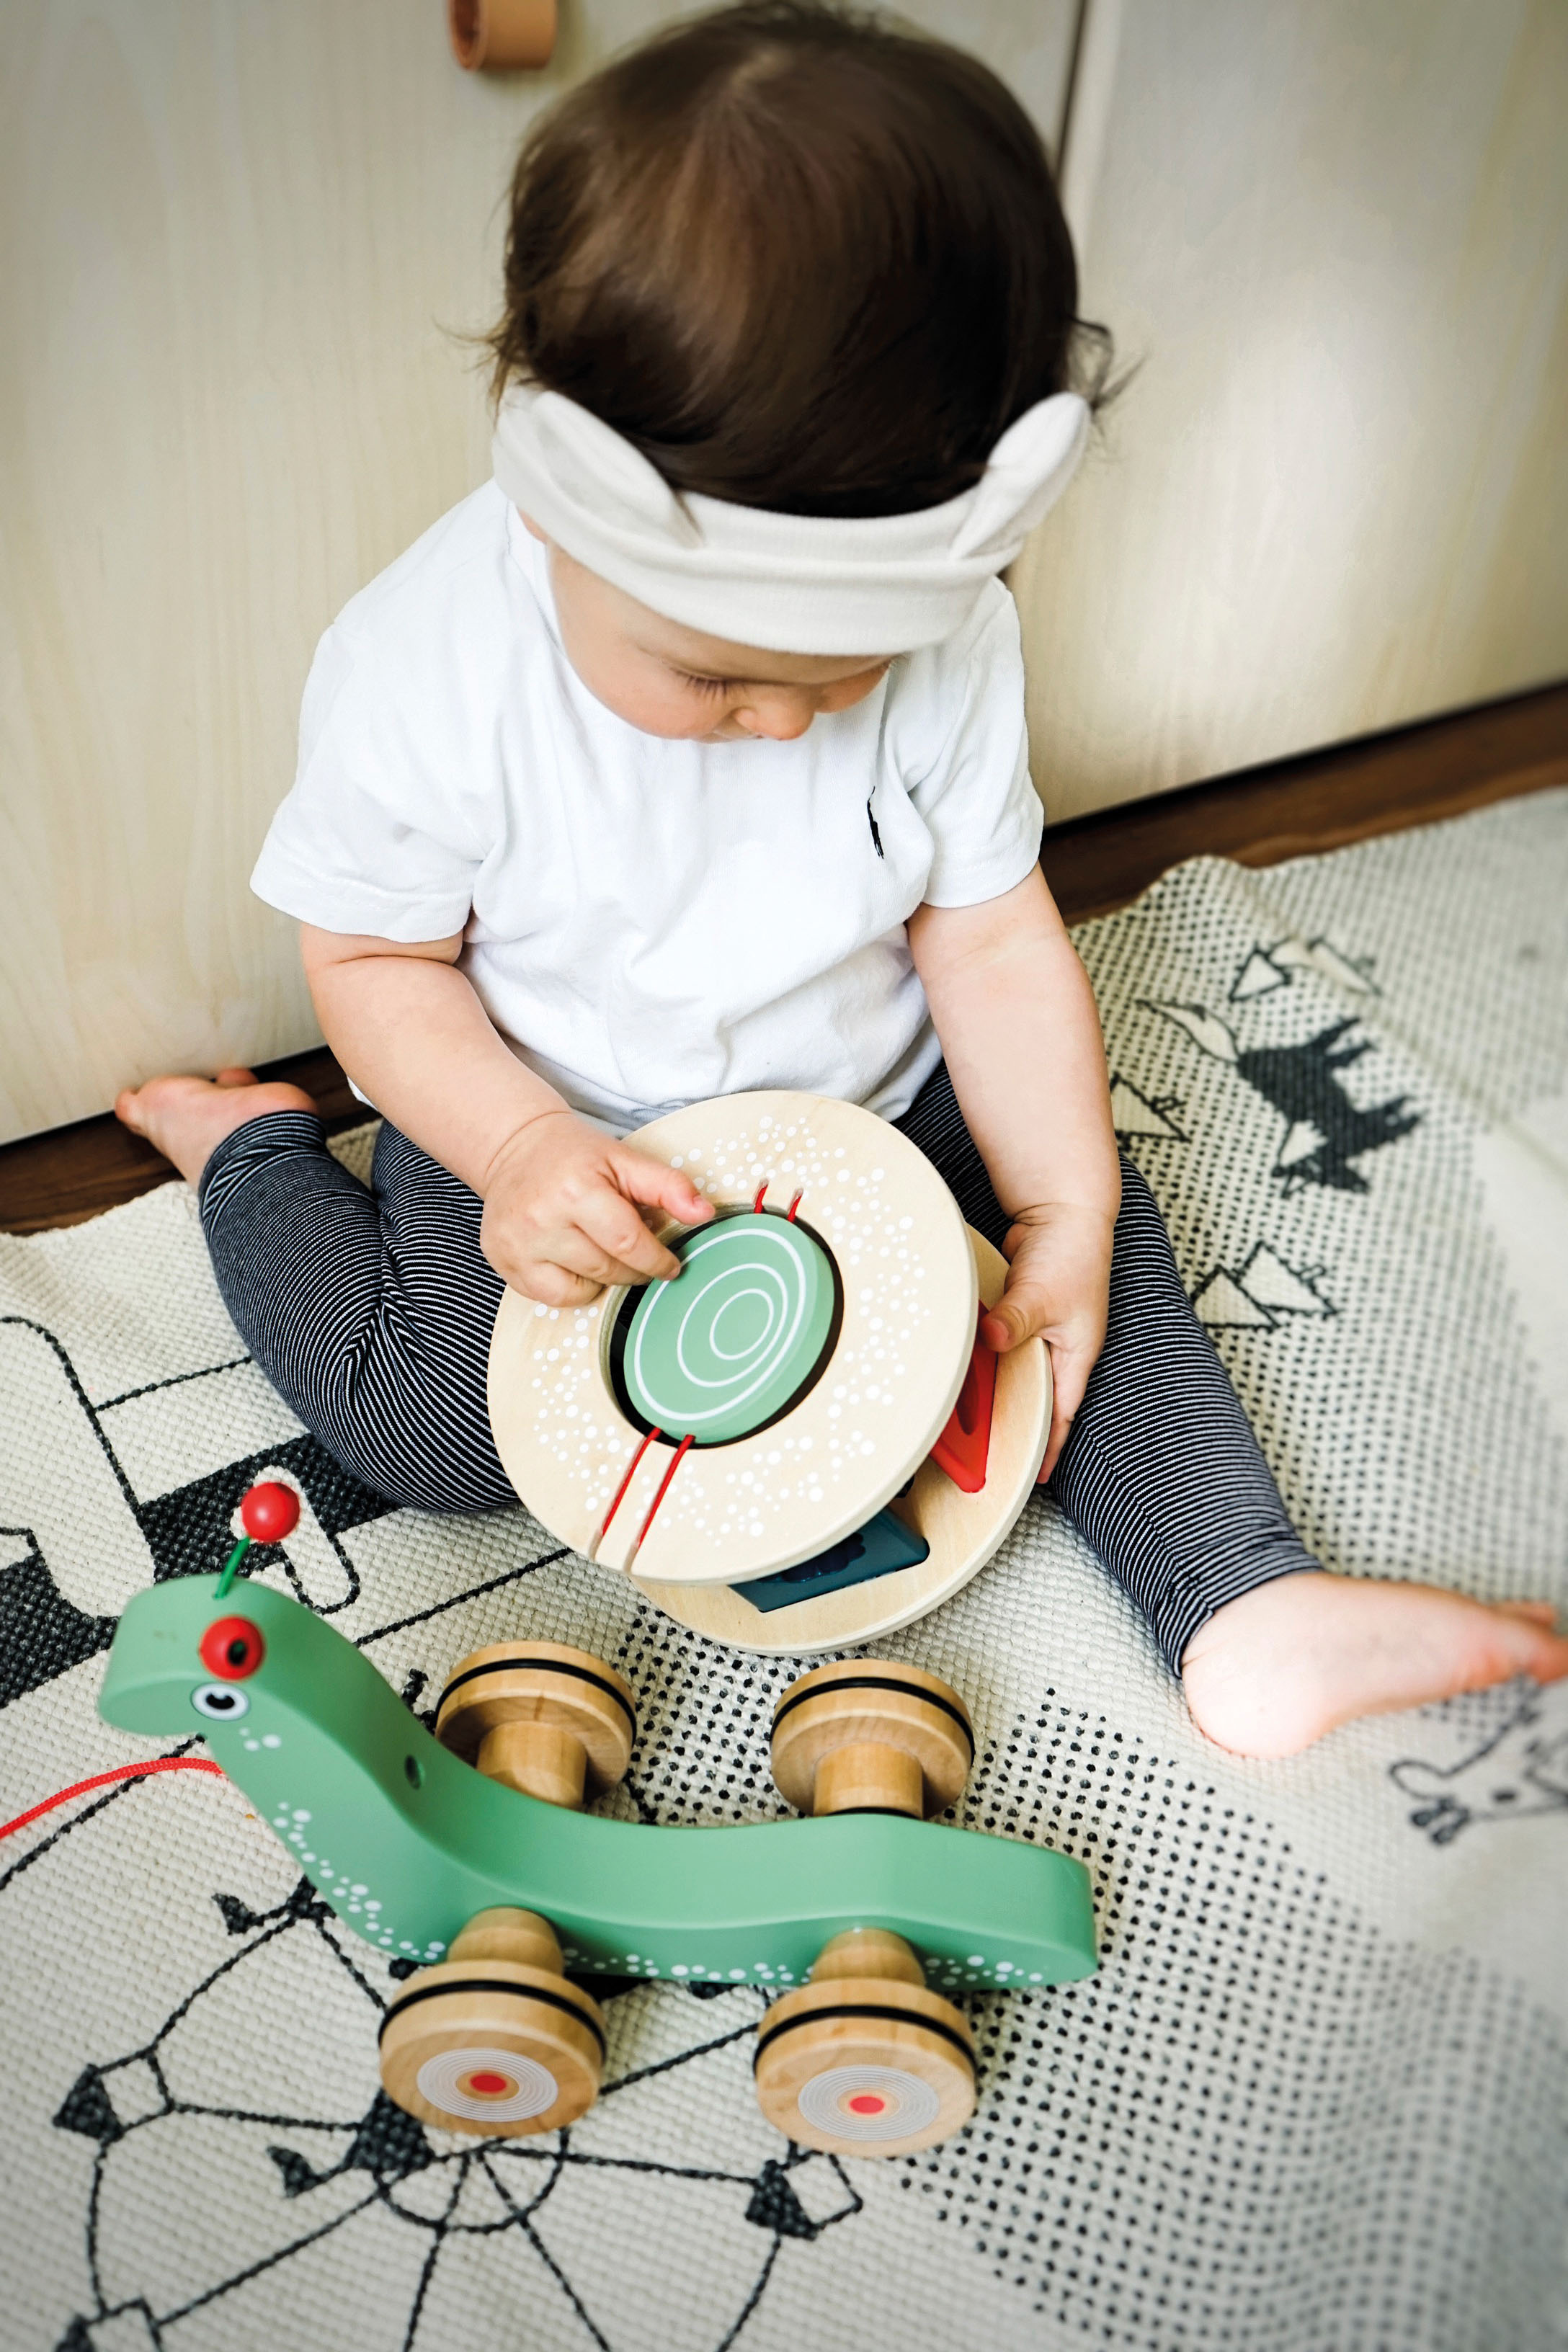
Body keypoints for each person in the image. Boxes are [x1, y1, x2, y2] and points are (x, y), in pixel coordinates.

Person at [117, 1, 1567, 1756]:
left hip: (868, 1101)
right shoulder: (423, 673)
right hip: (557, 1123)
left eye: (842, 674)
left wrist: (1060, 1210)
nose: (787, 722)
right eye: (712, 675)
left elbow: (987, 932)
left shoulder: (954, 633)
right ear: (554, 510)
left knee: (1071, 1296)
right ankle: (246, 1158)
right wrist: (511, 1153)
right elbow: (372, 963)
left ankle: (1239, 1596)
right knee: (426, 1430)